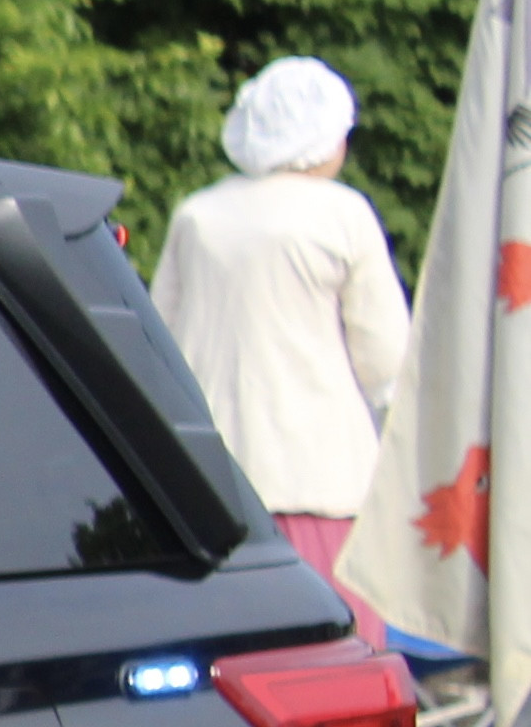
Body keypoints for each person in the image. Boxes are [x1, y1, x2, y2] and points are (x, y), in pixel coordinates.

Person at [148, 55, 411, 601]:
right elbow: (386, 357)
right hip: (322, 479)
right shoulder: (344, 214)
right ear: (324, 137)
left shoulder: (197, 214)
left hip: (211, 481)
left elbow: (157, 340)